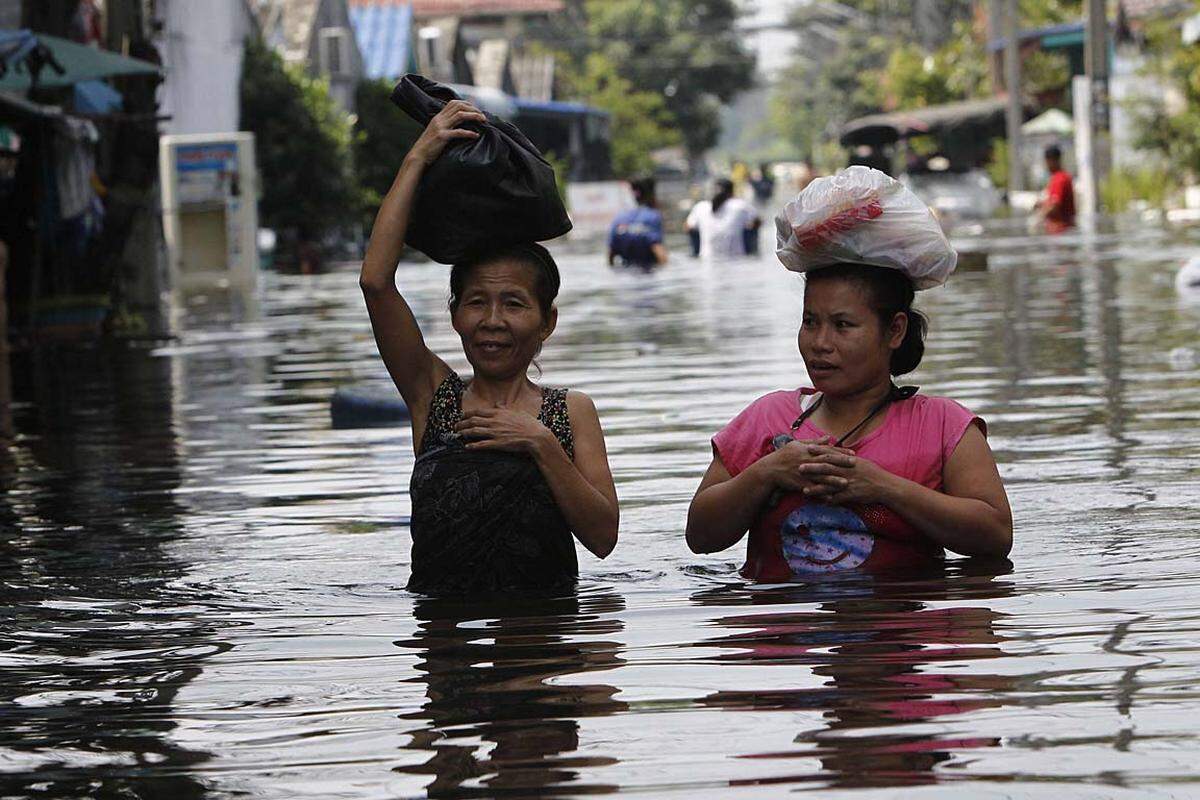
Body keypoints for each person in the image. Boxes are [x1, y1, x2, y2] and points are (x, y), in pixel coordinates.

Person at [686, 167, 1011, 578]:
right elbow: (699, 535)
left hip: (899, 634)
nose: (820, 343)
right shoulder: (768, 418)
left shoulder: (944, 426)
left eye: (843, 325)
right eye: (810, 322)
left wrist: (880, 486)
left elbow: (996, 535)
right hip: (782, 630)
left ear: (894, 330)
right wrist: (768, 472)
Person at [359, 99, 619, 596]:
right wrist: (418, 157)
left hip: (541, 642)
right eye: (476, 302)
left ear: (547, 322)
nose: (493, 321)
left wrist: (540, 443)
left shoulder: (570, 412)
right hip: (442, 635)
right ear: (455, 315)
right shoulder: (432, 396)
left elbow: (603, 537)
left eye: (514, 304)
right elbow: (376, 282)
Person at [686, 178, 760, 259]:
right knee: (753, 226)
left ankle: (697, 253)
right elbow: (757, 221)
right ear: (732, 192)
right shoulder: (741, 205)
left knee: (692, 229)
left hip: (707, 259)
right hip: (738, 259)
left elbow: (688, 227)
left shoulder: (700, 207)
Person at [607, 177, 667, 269]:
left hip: (625, 272)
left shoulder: (618, 218)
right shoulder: (653, 217)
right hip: (648, 272)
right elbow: (657, 249)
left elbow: (610, 255)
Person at [1036, 145, 1076, 233]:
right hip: (1065, 230)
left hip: (1060, 231)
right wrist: (1042, 204)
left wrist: (1038, 219)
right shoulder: (1063, 177)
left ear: (1051, 160)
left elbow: (1054, 206)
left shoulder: (1059, 179)